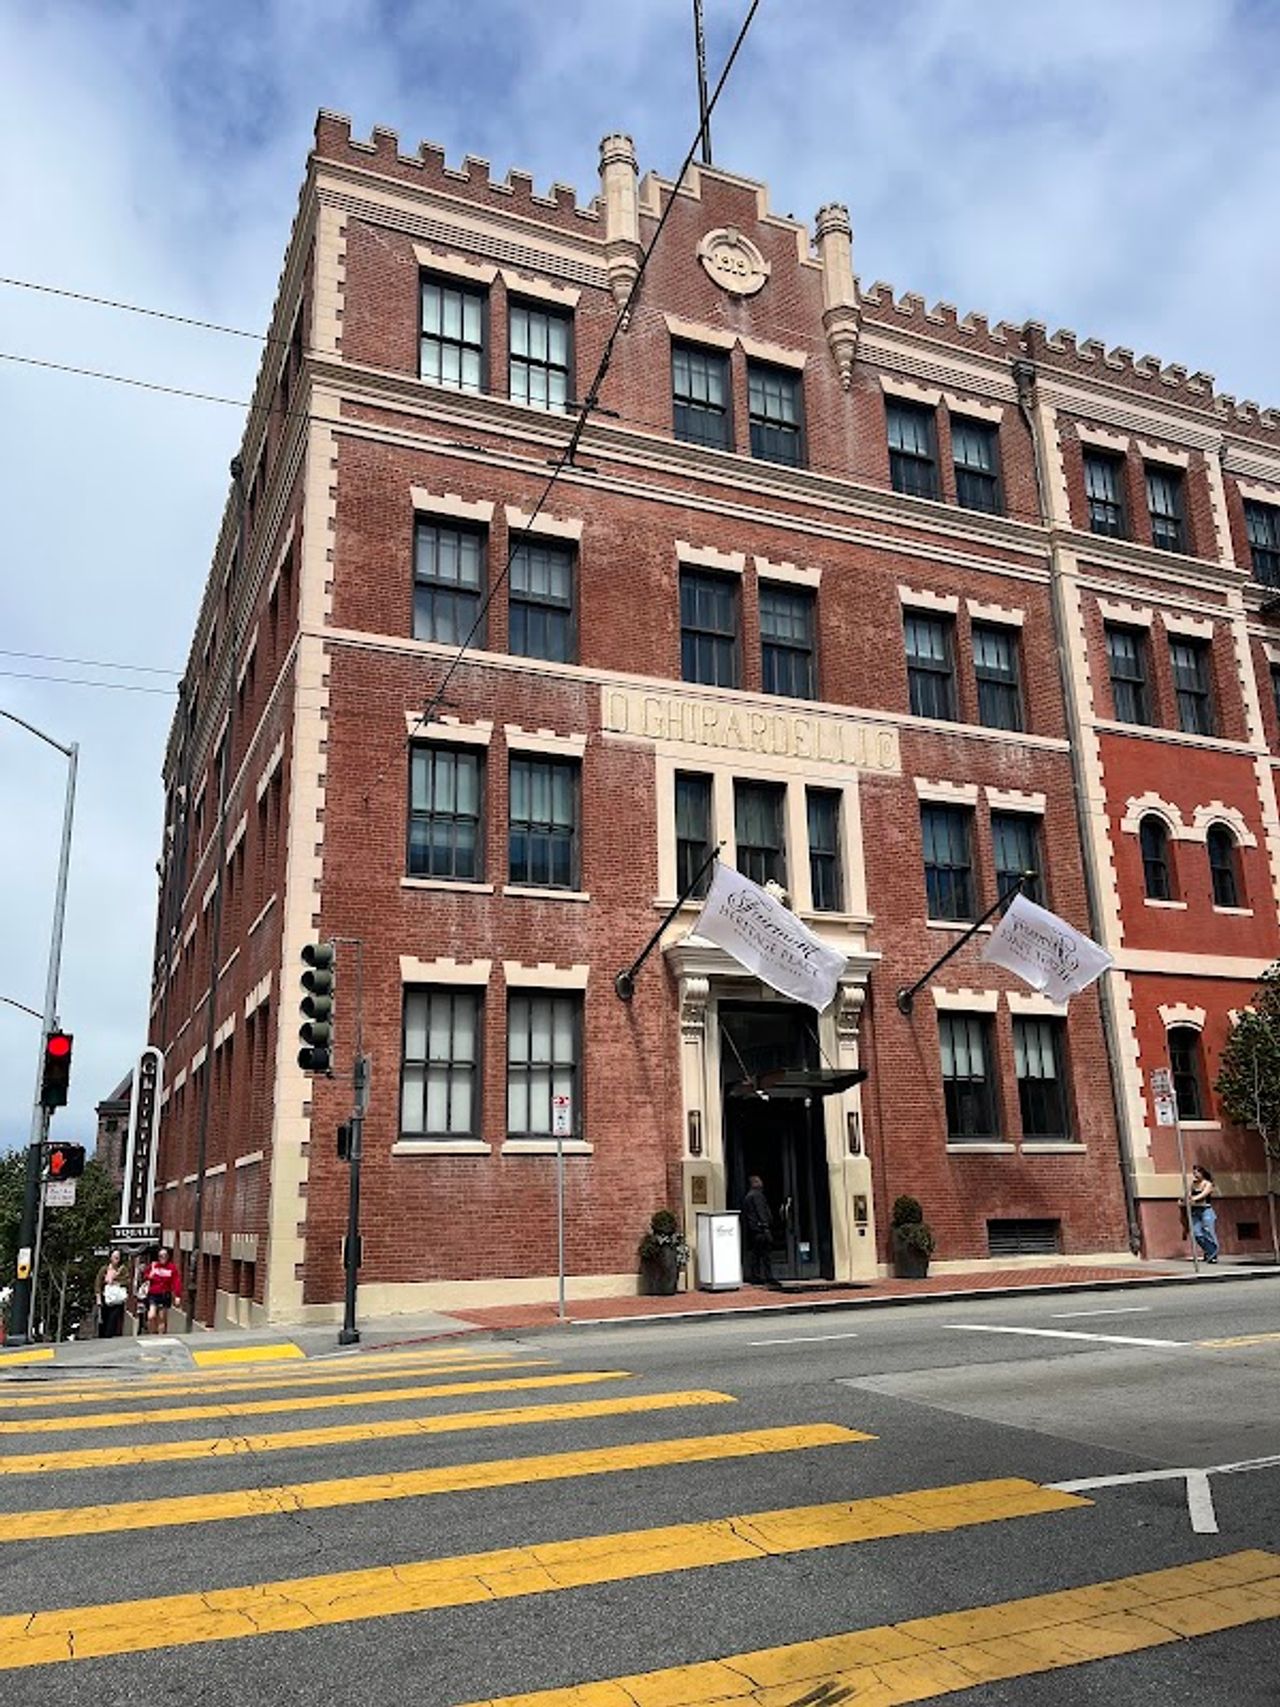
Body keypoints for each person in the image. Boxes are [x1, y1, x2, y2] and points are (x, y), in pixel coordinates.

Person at [742, 1174, 775, 1285]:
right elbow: (761, 1212)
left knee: (756, 1255)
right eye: (758, 1181)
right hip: (760, 1230)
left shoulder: (748, 1196)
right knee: (765, 1255)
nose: (761, 1183)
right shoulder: (757, 1196)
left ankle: (756, 1276)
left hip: (753, 1230)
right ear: (754, 1183)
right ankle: (767, 1277)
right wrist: (765, 1227)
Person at [142, 1246, 182, 1334]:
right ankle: (152, 1334)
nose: (163, 1258)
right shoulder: (154, 1266)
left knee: (162, 1317)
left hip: (165, 1294)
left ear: (168, 1257)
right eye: (160, 1256)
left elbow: (176, 1282)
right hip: (153, 1294)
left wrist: (177, 1295)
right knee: (151, 1316)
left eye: (165, 1256)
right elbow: (145, 1276)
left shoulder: (172, 1268)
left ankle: (160, 1337)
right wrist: (150, 1275)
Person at [94, 1249, 130, 1338]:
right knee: (104, 1318)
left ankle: (109, 1336)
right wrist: (98, 1297)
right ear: (110, 1258)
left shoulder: (123, 1269)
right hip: (105, 1297)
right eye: (114, 1257)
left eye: (118, 1257)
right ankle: (102, 1336)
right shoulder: (104, 1269)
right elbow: (98, 1283)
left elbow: (127, 1281)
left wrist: (115, 1282)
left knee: (113, 1318)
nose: (116, 1259)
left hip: (117, 1298)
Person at [1189, 1164, 1219, 1264]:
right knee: (1196, 1233)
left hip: (1206, 1210)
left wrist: (1194, 1199)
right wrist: (1184, 1200)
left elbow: (1204, 1194)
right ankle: (1208, 1250)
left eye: (1197, 1172)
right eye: (1194, 1173)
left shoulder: (1207, 1184)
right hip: (1195, 1211)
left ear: (1202, 1173)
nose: (1195, 1175)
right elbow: (1188, 1194)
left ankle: (1213, 1254)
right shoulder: (1193, 1184)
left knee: (1208, 1231)